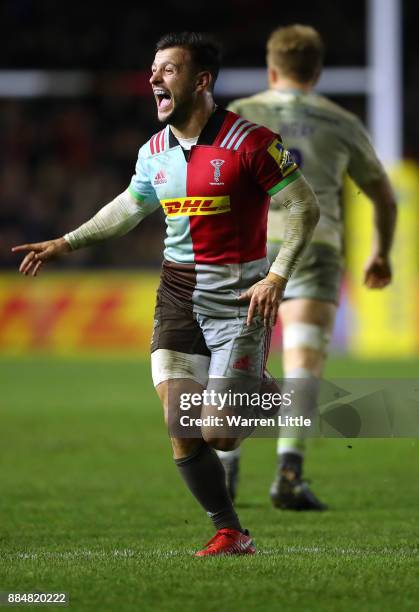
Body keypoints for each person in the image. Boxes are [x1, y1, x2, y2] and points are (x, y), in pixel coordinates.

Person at [12, 31, 319, 554]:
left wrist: (277, 276)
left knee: (220, 434)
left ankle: (274, 394)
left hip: (240, 300)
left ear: (201, 81)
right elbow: (128, 210)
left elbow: (304, 207)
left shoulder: (251, 142)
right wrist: (66, 242)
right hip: (177, 294)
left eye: (168, 70)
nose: (154, 78)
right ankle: (231, 531)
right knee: (181, 423)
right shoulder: (153, 151)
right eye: (153, 70)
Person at [218, 24, 397, 509]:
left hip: (252, 248)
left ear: (271, 68)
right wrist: (380, 251)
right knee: (304, 358)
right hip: (316, 246)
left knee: (241, 360)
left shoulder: (240, 115)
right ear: (316, 72)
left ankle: (228, 468)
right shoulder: (339, 121)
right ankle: (289, 474)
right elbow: (382, 192)